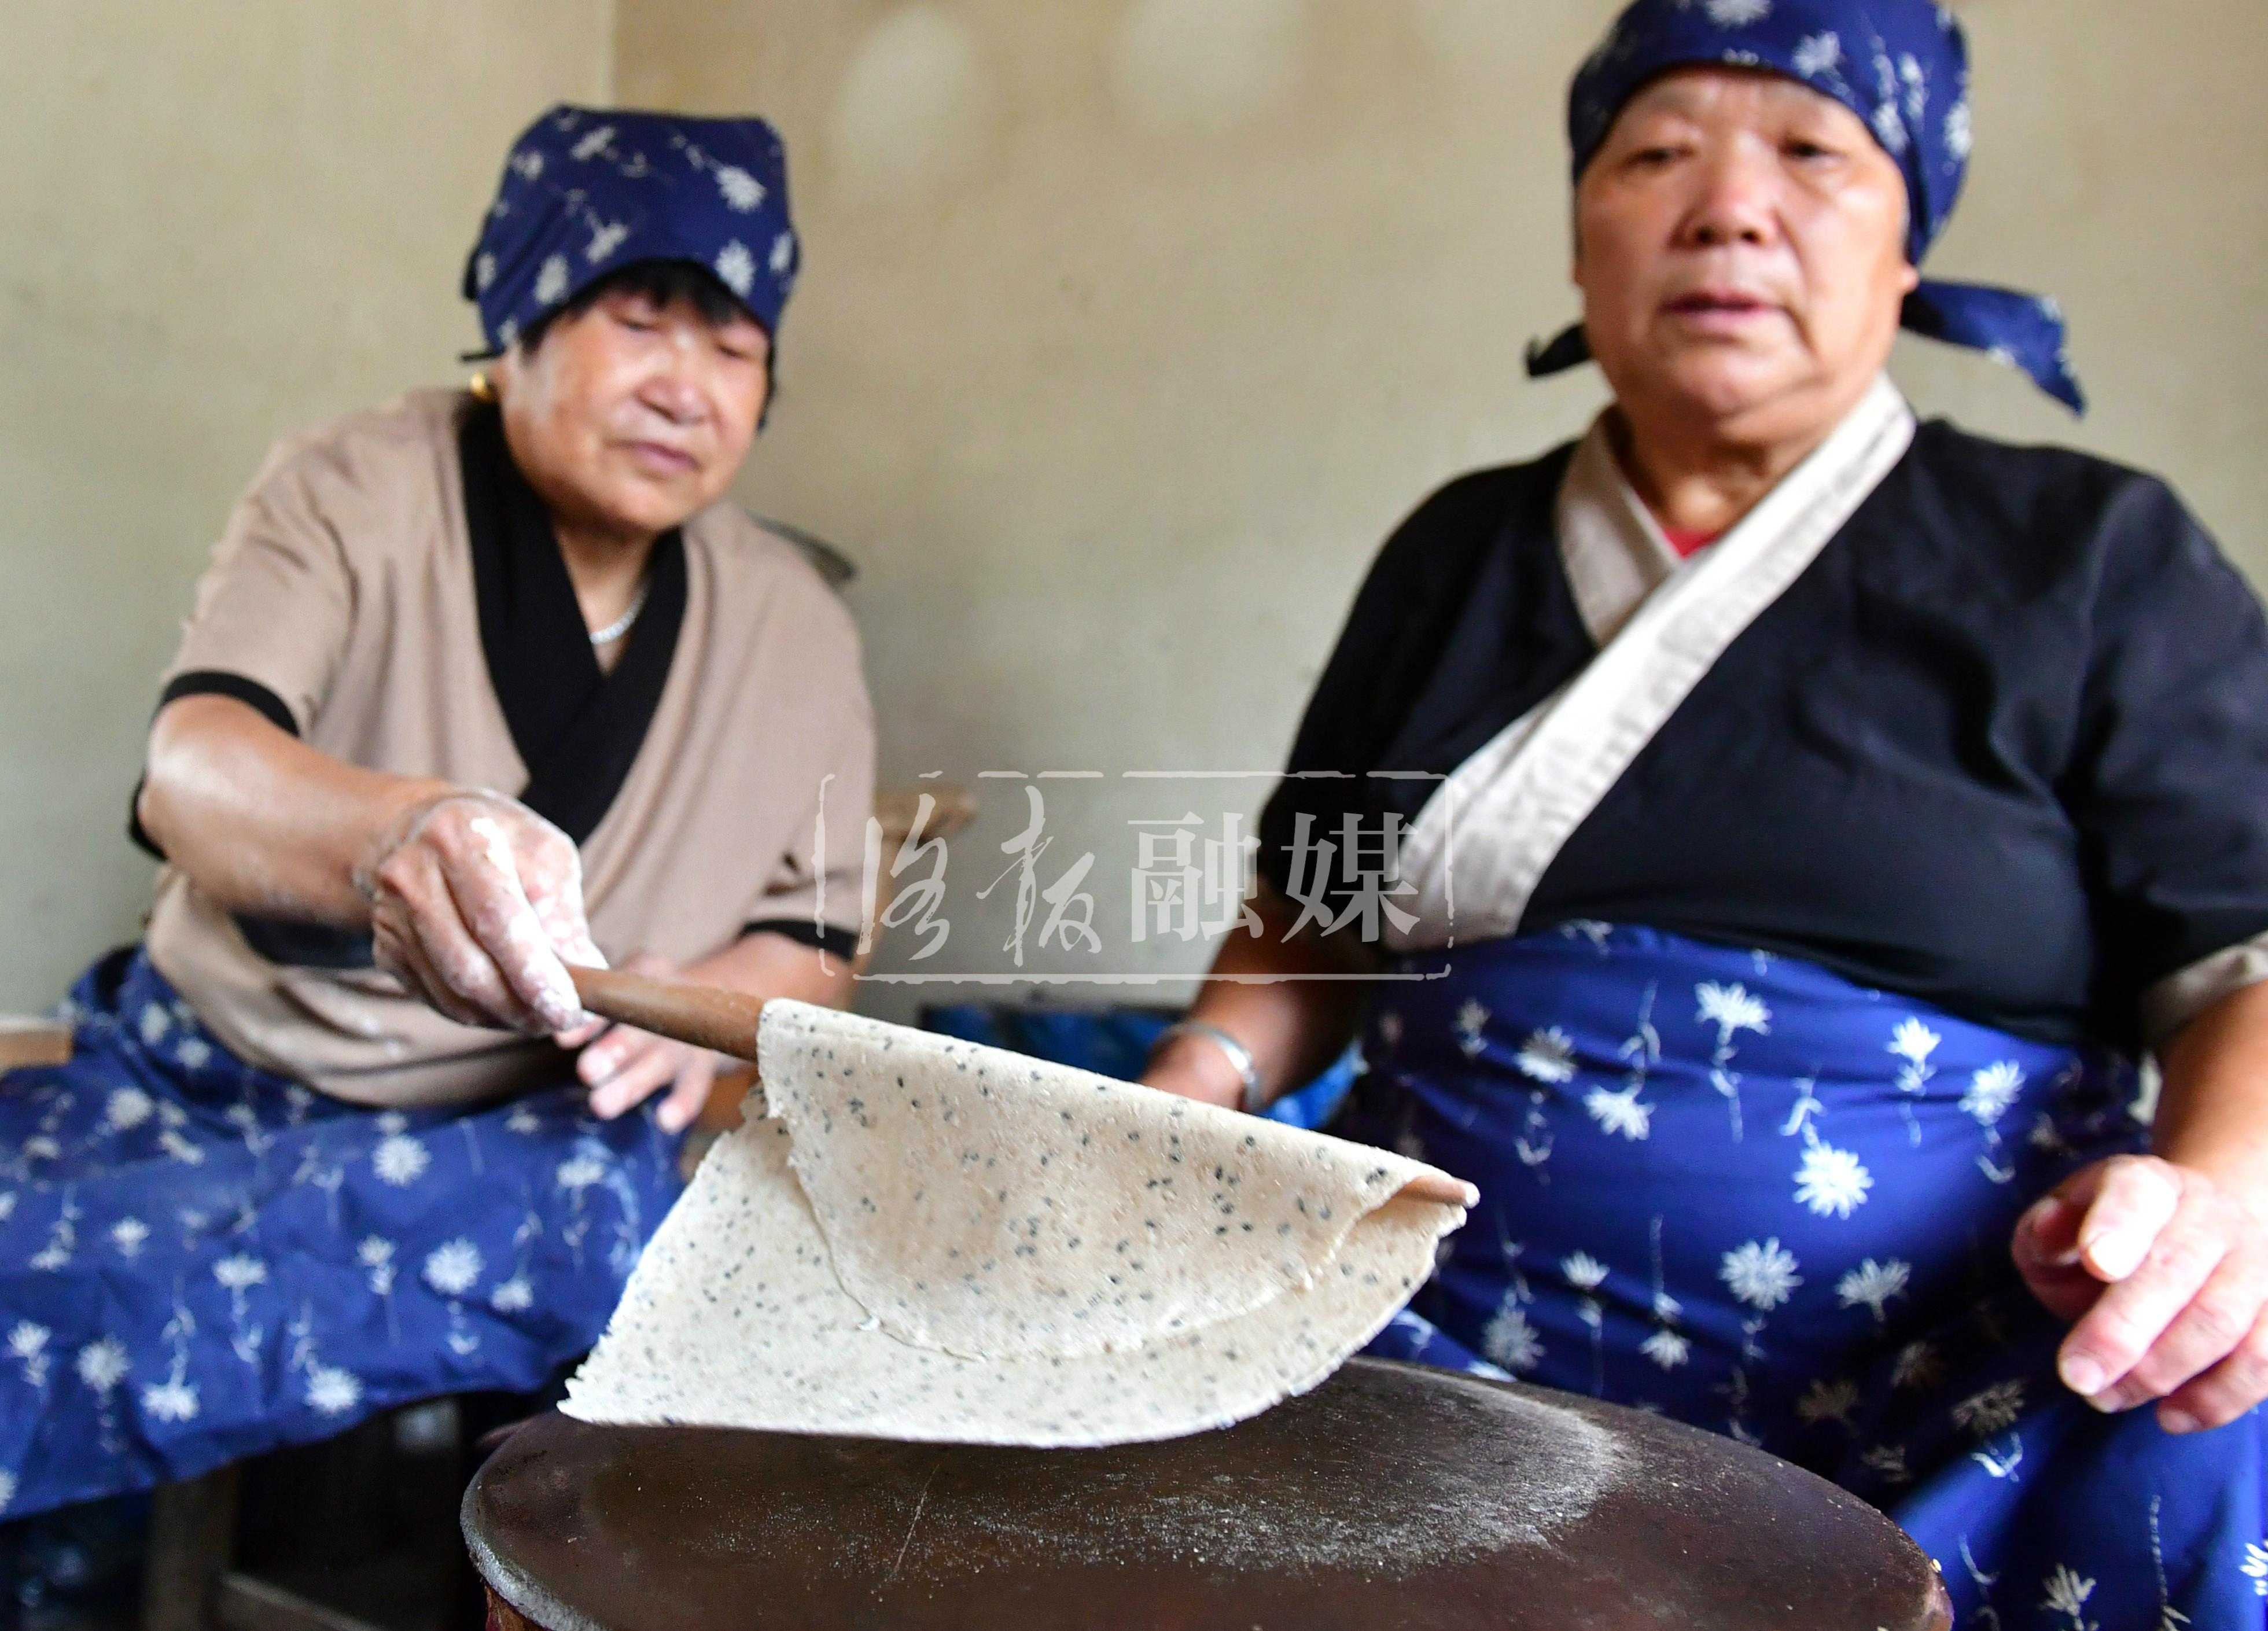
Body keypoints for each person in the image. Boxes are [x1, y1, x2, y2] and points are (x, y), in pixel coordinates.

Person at [1143, 3, 2266, 1622]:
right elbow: (1318, 910)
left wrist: (2220, 1211)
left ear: (1909, 246)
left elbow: (2241, 969)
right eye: (1657, 155)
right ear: (1584, 240)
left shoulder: (2091, 555)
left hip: (1946, 1360)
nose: (1730, 208)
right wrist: (1203, 1079)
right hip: (1430, 1337)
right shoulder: (1457, 551)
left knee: (2205, 1436)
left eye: (1813, 155)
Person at [0, 106, 872, 1530]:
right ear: (518, 323)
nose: (687, 388)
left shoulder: (795, 624)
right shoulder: (353, 483)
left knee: (625, 1243)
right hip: (198, 1085)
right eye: (640, 321)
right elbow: (195, 765)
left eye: (734, 350)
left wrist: (703, 1002)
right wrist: (391, 833)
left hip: (516, 1150)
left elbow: (819, 932)